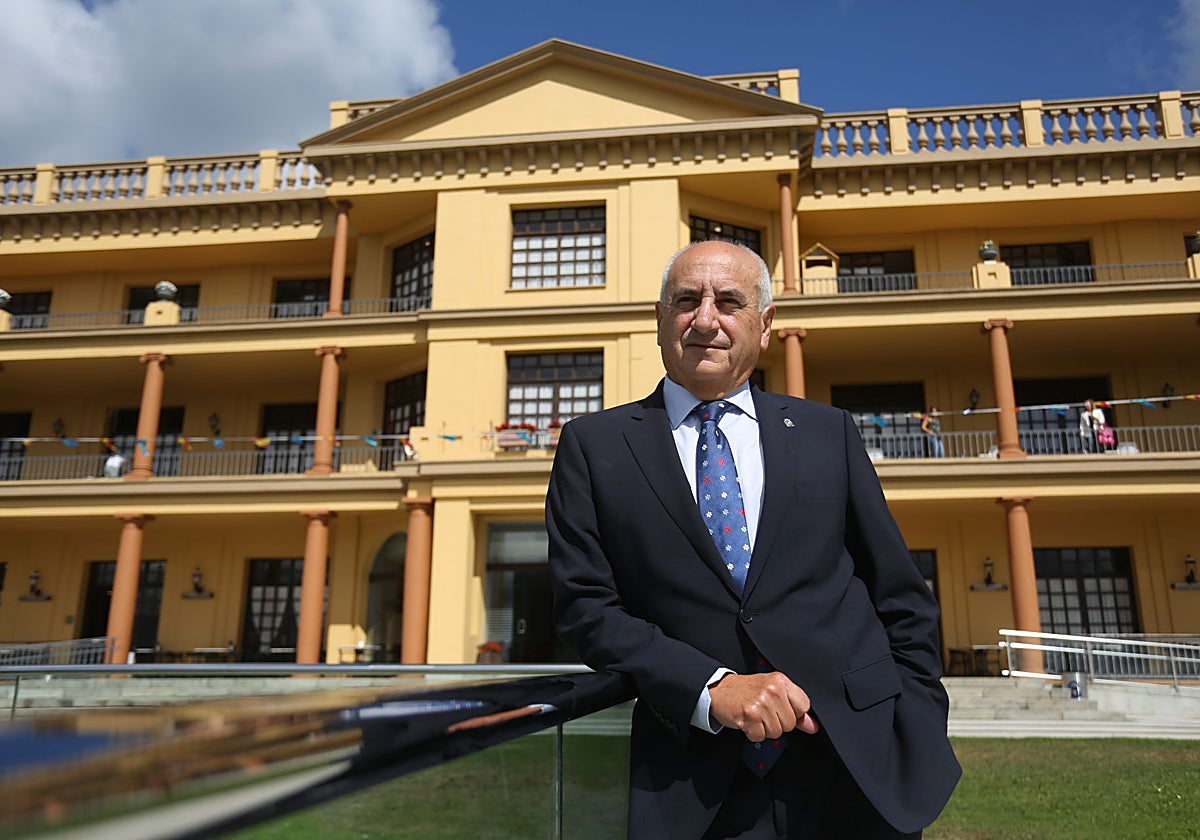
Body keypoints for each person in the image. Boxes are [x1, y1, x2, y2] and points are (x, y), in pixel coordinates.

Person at [547, 241, 960, 839]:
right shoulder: (595, 446)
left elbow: (898, 592)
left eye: (729, 302)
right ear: (661, 321)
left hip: (857, 765)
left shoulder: (827, 432)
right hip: (694, 778)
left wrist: (917, 716)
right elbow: (584, 606)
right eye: (686, 301)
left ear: (764, 326)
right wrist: (709, 689)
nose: (706, 319)